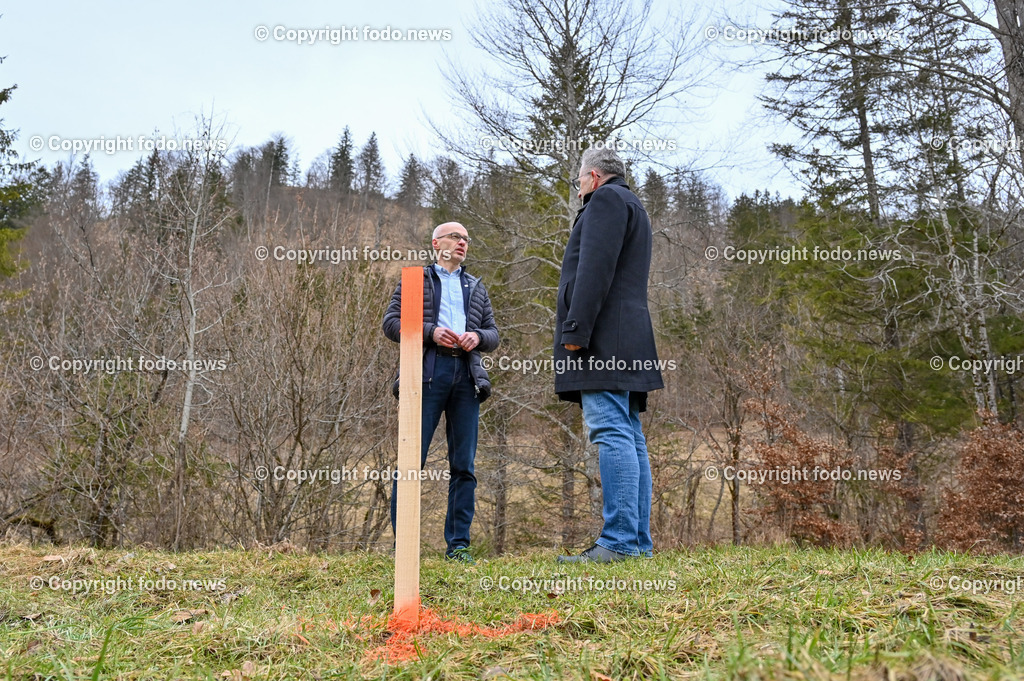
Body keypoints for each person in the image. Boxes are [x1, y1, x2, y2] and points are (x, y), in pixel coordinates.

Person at [554, 147, 664, 563]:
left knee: (611, 431)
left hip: (602, 337)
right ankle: (635, 544)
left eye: (580, 181)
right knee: (629, 434)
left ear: (595, 177)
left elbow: (594, 269)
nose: (580, 188)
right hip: (627, 336)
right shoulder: (633, 204)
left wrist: (575, 329)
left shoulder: (605, 200)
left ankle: (618, 542)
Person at [382, 222, 499, 564]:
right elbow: (391, 324)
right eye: (455, 236)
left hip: (467, 377)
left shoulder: (476, 286)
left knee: (464, 466)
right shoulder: (415, 280)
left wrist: (478, 337)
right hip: (426, 375)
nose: (462, 242)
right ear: (436, 243)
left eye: (466, 238)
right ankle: (403, 547)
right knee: (410, 462)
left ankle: (458, 547)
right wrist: (430, 332)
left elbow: (493, 333)